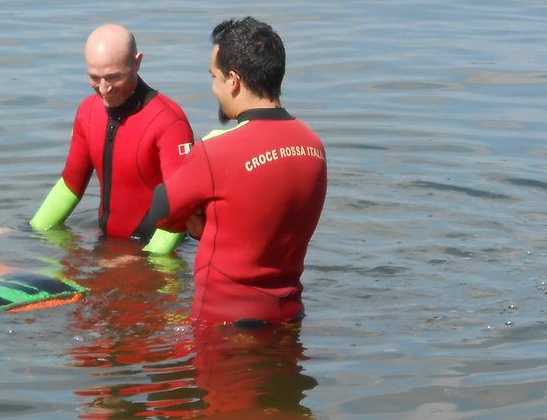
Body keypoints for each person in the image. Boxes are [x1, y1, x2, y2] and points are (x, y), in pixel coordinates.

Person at [151, 17, 327, 325]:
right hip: (289, 316)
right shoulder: (313, 146)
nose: (214, 88)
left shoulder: (216, 151)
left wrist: (196, 221)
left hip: (227, 323)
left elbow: (160, 212)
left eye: (215, 77)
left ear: (233, 80)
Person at [31, 23, 195, 244]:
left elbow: (180, 203)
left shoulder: (169, 122)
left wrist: (145, 259)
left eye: (114, 77)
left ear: (137, 63)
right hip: (107, 245)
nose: (104, 88)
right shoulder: (88, 112)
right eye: (94, 78)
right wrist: (30, 233)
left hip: (157, 252)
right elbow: (70, 186)